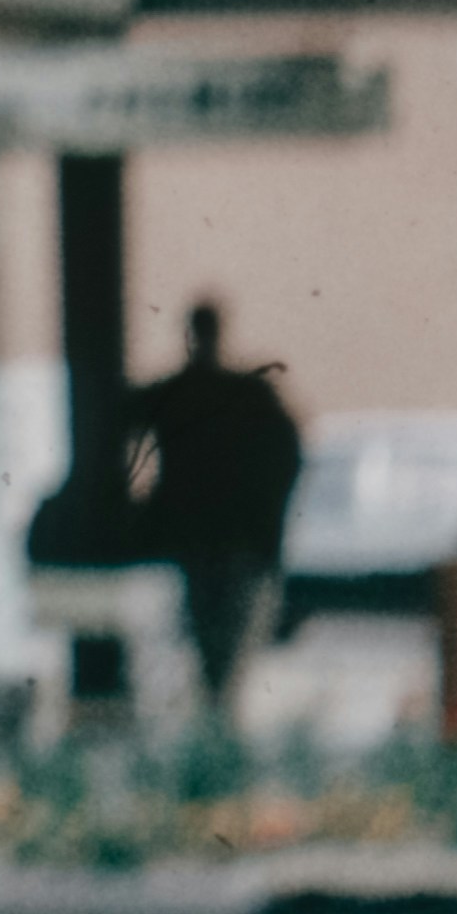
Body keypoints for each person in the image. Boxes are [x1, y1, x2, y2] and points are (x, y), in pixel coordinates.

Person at [136, 297, 307, 733]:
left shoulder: (184, 394)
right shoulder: (241, 395)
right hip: (232, 542)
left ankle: (216, 729)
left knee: (214, 652)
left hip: (204, 542)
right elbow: (288, 452)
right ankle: (219, 730)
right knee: (224, 656)